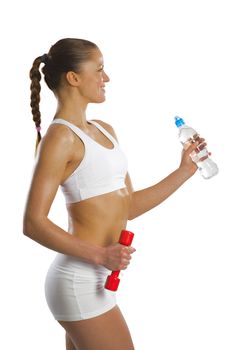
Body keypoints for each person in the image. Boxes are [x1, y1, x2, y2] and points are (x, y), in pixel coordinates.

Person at [23, 38, 203, 350]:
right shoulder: (60, 137)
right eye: (100, 69)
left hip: (98, 280)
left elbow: (128, 206)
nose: (106, 78)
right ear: (74, 78)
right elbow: (33, 223)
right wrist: (100, 255)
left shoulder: (104, 129)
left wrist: (184, 171)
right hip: (78, 280)